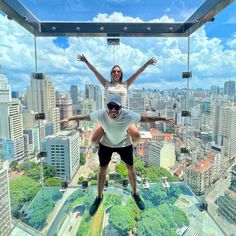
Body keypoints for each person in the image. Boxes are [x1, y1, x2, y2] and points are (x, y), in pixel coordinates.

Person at [60, 94, 175, 216]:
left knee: (131, 168)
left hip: (124, 143)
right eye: (110, 106)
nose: (113, 109)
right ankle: (99, 197)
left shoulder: (128, 115)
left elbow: (146, 118)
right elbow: (84, 117)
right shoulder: (101, 114)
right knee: (101, 170)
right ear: (107, 107)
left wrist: (163, 119)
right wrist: (70, 119)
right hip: (106, 143)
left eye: (116, 107)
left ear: (121, 107)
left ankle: (135, 193)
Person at [77, 54, 157, 151]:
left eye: (118, 71)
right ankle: (104, 146)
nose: (116, 73)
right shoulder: (106, 84)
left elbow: (137, 72)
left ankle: (131, 147)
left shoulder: (125, 84)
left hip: (122, 115)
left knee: (137, 137)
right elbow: (95, 72)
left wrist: (147, 63)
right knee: (93, 140)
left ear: (121, 73)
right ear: (111, 73)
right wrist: (86, 61)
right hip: (108, 115)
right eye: (114, 71)